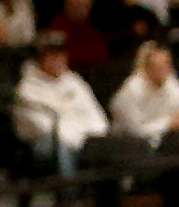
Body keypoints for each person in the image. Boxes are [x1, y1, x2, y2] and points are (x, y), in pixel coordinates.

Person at [13, 30, 109, 174]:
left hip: (82, 136)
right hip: (43, 142)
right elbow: (41, 126)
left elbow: (93, 112)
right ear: (41, 59)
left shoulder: (74, 81)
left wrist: (95, 133)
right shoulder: (27, 89)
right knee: (62, 147)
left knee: (107, 145)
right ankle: (68, 193)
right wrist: (73, 136)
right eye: (52, 56)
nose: (58, 60)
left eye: (61, 55)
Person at [109, 41, 179, 144]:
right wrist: (167, 123)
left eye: (166, 65)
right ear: (147, 67)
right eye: (158, 67)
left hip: (164, 140)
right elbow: (135, 130)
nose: (163, 71)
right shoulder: (132, 89)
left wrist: (164, 126)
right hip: (129, 143)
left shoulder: (175, 86)